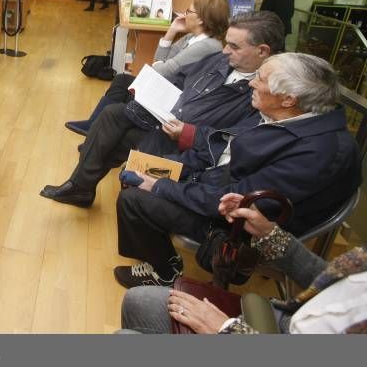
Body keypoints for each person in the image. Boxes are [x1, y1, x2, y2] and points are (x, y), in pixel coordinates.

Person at [113, 53, 360, 289]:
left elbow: (237, 202)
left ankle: (164, 272)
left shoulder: (319, 153)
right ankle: (156, 253)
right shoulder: (285, 116)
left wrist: (159, 185)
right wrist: (169, 171)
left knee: (133, 199)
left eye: (260, 79)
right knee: (137, 168)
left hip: (234, 225)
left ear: (288, 99)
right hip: (216, 183)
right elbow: (219, 149)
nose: (251, 82)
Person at [41, 11, 285, 208]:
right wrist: (151, 91)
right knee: (112, 114)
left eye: (234, 46)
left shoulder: (267, 92)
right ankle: (81, 186)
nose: (224, 50)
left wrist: (188, 133)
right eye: (226, 43)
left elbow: (233, 142)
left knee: (114, 136)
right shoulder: (220, 61)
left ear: (262, 50)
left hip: (188, 149)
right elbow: (178, 77)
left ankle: (82, 188)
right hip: (166, 123)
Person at [120, 194, 367, 334]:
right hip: (282, 321)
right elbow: (325, 280)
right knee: (137, 300)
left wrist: (226, 330)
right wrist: (268, 232)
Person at [66, 0, 230, 135]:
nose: (184, 15)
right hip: (166, 85)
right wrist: (172, 31)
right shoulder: (192, 38)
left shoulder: (207, 46)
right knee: (122, 79)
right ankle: (93, 125)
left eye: (189, 11)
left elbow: (163, 70)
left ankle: (95, 129)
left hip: (172, 97)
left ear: (201, 18)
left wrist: (161, 65)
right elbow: (160, 59)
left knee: (120, 96)